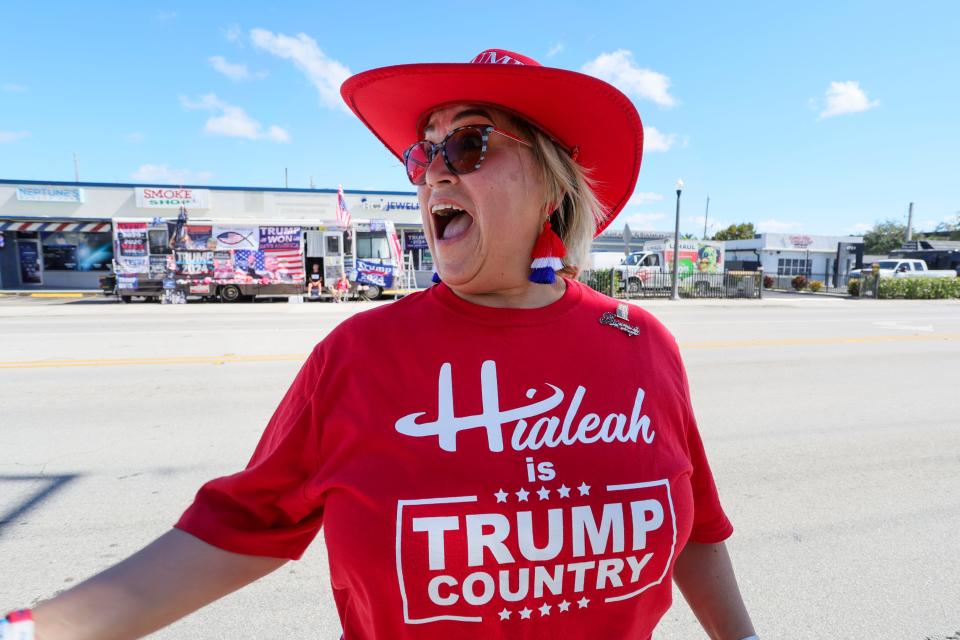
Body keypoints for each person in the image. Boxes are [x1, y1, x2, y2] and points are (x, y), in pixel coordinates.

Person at [2, 49, 757, 640]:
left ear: (552, 183)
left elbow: (694, 522)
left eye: (466, 144)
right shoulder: (361, 355)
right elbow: (238, 528)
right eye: (420, 155)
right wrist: (37, 630)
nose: (431, 173)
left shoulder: (639, 343)